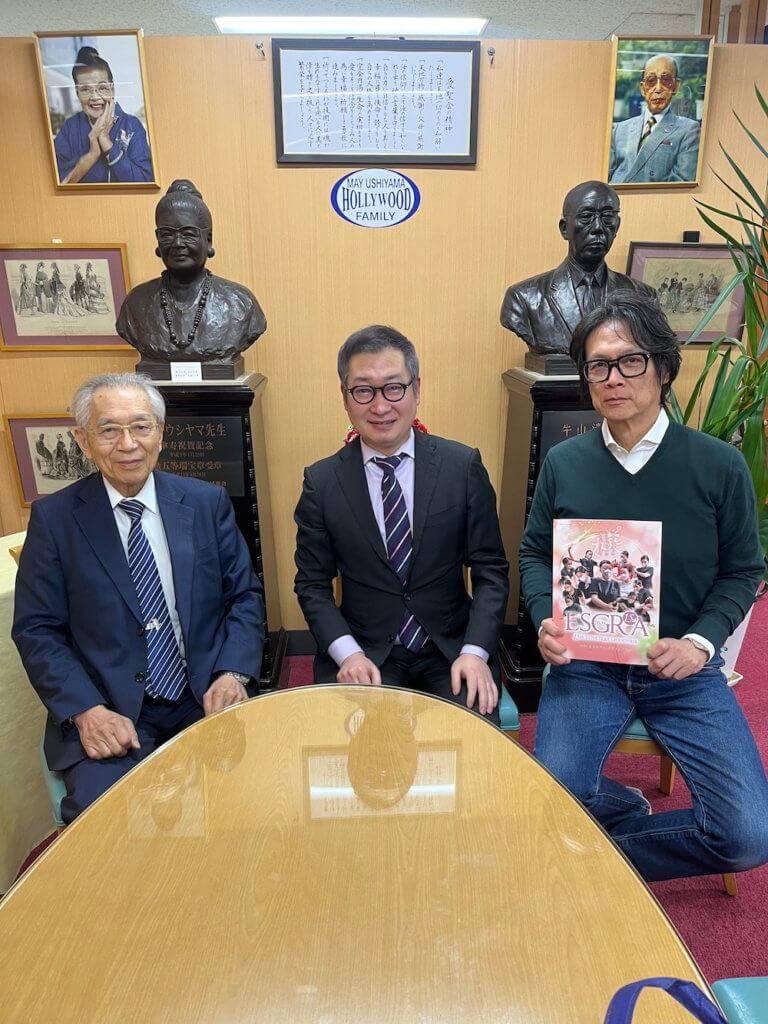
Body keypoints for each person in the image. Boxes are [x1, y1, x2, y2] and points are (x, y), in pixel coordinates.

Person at [519, 289, 768, 882]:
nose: (613, 378)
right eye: (598, 366)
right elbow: (533, 553)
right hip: (587, 665)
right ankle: (614, 812)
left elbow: (744, 571)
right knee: (558, 795)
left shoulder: (717, 465)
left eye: (630, 361)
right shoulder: (565, 463)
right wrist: (543, 617)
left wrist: (700, 644)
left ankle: (595, 860)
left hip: (681, 669)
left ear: (662, 368)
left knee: (747, 836)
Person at [13, 372, 264, 824]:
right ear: (83, 441)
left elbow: (244, 596)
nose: (128, 444)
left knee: (251, 806)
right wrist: (87, 711)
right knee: (106, 826)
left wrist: (232, 674)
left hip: (203, 696)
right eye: (109, 430)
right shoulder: (56, 519)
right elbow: (37, 630)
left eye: (141, 427)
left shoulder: (205, 502)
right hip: (110, 708)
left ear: (160, 434)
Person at [294, 324, 509, 722]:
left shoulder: (462, 467)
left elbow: (491, 571)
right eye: (364, 391)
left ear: (417, 390)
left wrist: (475, 652)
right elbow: (312, 585)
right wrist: (348, 654)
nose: (380, 407)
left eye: (394, 388)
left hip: (451, 649)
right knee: (372, 749)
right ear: (345, 397)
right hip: (367, 651)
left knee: (473, 740)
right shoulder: (322, 483)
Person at [116, 180, 266, 371]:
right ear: (158, 240)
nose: (177, 243)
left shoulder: (240, 302)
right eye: (167, 234)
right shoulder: (135, 303)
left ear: (208, 240)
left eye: (188, 234)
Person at [500, 181, 655, 357]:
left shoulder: (644, 297)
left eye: (607, 217)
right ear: (564, 228)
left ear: (617, 225)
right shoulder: (524, 297)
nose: (598, 228)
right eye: (586, 216)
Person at [54, 45, 153, 185]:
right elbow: (57, 185)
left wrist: (106, 143)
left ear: (112, 90)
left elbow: (145, 182)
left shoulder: (132, 125)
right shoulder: (69, 128)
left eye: (102, 88)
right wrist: (93, 153)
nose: (95, 97)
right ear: (77, 93)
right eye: (85, 89)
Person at [609, 55, 701, 185]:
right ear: (642, 88)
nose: (658, 88)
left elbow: (680, 185)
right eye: (651, 81)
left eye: (666, 80)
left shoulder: (688, 130)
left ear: (675, 87)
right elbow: (605, 178)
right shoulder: (618, 129)